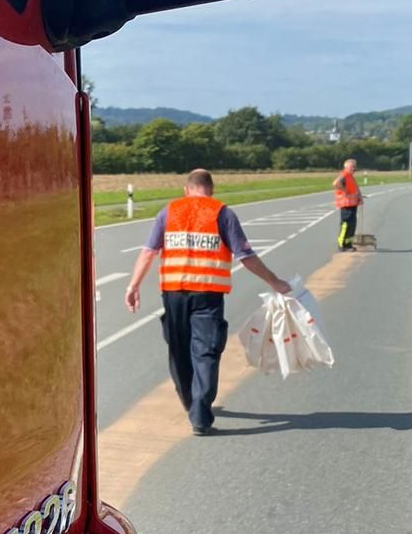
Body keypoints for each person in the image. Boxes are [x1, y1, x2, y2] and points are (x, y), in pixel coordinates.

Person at [124, 169, 290, 436]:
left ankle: (192, 404)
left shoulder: (169, 211)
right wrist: (275, 281)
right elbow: (246, 257)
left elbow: (148, 252)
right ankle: (200, 415)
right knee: (206, 352)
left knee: (179, 353)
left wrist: (133, 286)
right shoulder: (222, 213)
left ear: (186, 189)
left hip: (174, 294)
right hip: (208, 295)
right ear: (211, 190)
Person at [333, 157, 362, 250]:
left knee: (352, 226)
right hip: (346, 204)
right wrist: (345, 190)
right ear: (346, 167)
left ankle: (348, 244)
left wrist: (359, 196)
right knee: (346, 225)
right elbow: (335, 183)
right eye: (352, 167)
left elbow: (356, 188)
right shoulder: (344, 174)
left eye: (355, 167)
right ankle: (342, 244)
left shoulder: (350, 176)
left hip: (352, 204)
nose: (354, 169)